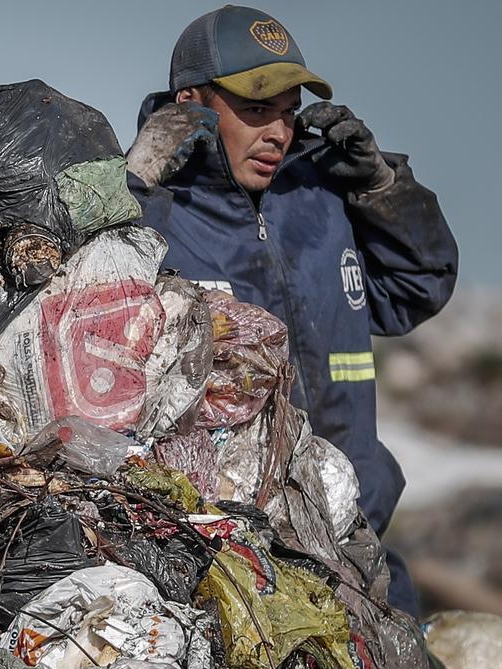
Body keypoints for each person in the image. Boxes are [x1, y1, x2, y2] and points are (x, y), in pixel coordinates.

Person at [125, 5, 458, 616]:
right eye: (256, 110)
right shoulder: (152, 215)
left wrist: (384, 188)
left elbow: (417, 287)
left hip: (357, 540)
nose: (278, 132)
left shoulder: (319, 200)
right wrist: (134, 191)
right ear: (191, 102)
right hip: (229, 566)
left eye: (288, 112)